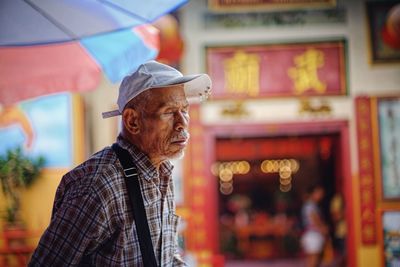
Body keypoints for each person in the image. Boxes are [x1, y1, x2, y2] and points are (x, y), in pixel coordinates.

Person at [28, 60, 211, 266]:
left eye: (184, 110)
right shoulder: (98, 185)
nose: (182, 123)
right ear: (132, 121)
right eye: (169, 112)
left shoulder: (161, 173)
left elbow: (164, 257)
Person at [300, 184, 328, 267]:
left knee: (315, 259)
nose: (321, 195)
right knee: (314, 259)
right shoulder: (310, 205)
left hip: (312, 234)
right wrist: (322, 228)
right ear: (313, 193)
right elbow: (314, 219)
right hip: (313, 235)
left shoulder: (312, 205)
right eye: (319, 193)